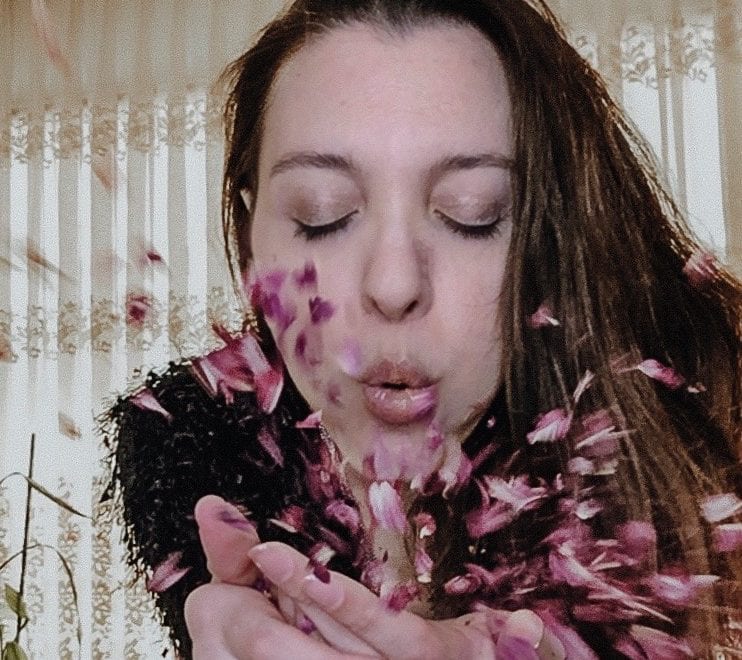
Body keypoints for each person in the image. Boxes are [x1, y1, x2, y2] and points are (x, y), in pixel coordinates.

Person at [103, 0, 742, 658]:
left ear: (549, 242)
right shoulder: (191, 454)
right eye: (321, 215)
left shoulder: (695, 445)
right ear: (248, 239)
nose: (395, 283)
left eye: (473, 213)